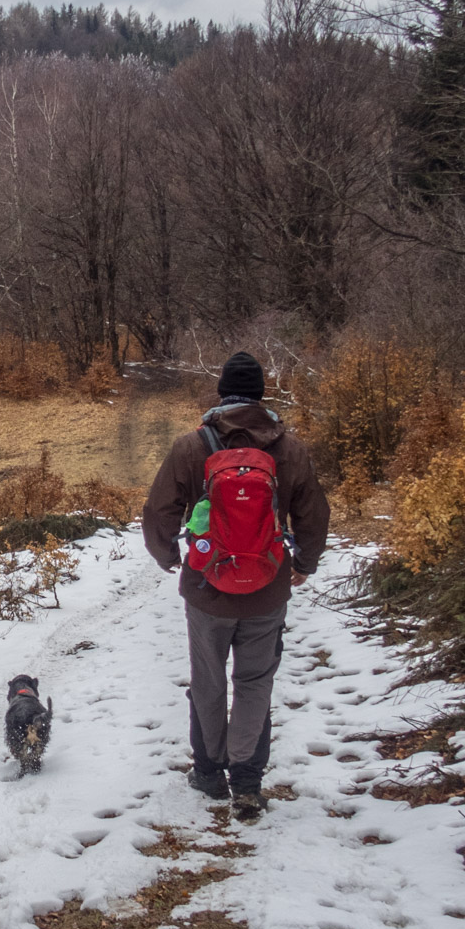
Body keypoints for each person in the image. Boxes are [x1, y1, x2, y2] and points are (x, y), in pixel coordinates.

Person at [142, 352, 329, 821]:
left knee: (208, 680)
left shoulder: (192, 446)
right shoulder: (289, 448)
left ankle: (208, 772)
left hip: (207, 590)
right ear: (262, 394)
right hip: (267, 588)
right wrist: (303, 562)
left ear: (222, 393)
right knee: (254, 682)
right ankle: (246, 782)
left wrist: (168, 556)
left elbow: (159, 510)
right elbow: (313, 514)